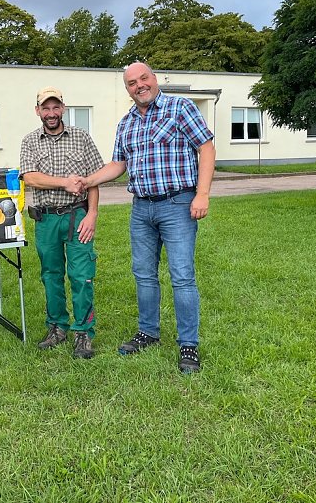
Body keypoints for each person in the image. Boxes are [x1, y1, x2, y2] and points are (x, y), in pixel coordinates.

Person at [81, 62, 215, 373]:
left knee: (182, 276)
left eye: (144, 78)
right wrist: (88, 181)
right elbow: (118, 165)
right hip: (141, 208)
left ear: (154, 79)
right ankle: (148, 333)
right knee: (143, 275)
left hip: (178, 204)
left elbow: (206, 149)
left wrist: (203, 193)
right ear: (127, 89)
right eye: (131, 82)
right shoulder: (126, 122)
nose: (139, 85)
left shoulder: (179, 107)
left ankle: (188, 346)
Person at [20, 87, 105, 359]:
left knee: (82, 276)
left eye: (56, 107)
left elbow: (94, 179)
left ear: (63, 109)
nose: (51, 113)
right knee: (51, 276)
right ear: (38, 111)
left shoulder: (81, 138)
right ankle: (57, 326)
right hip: (46, 219)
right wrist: (65, 182)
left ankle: (83, 332)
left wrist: (92, 214)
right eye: (46, 108)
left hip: (77, 215)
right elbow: (30, 177)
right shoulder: (30, 141)